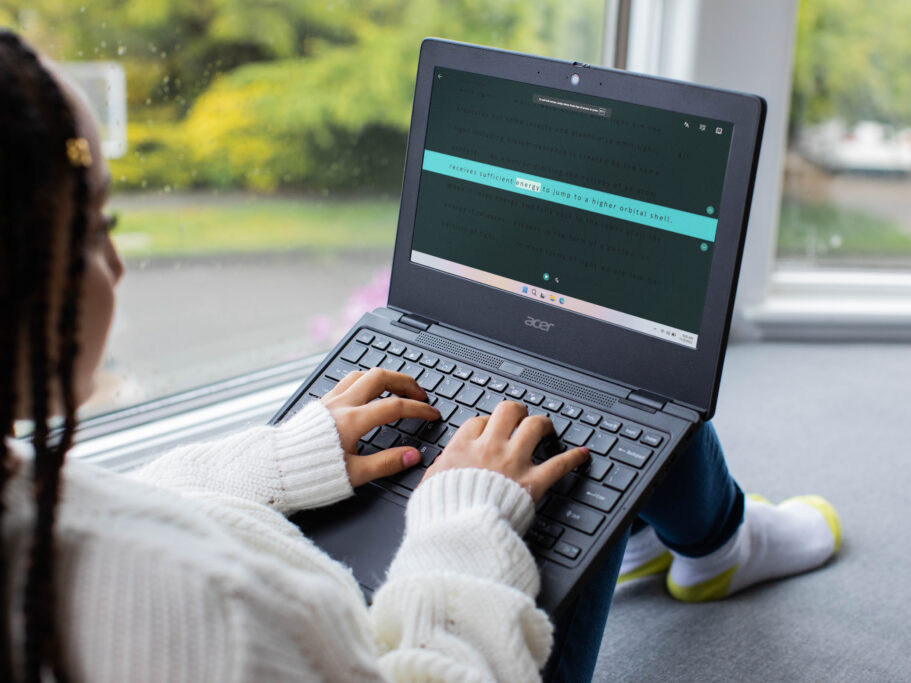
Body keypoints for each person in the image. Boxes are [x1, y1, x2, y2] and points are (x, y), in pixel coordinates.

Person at [0, 30, 840, 683]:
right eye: (98, 219)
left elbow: (108, 499)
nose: (115, 255)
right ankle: (719, 543)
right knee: (617, 403)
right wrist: (468, 520)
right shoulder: (216, 613)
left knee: (609, 387)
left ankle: (705, 536)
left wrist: (276, 458)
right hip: (426, 628)